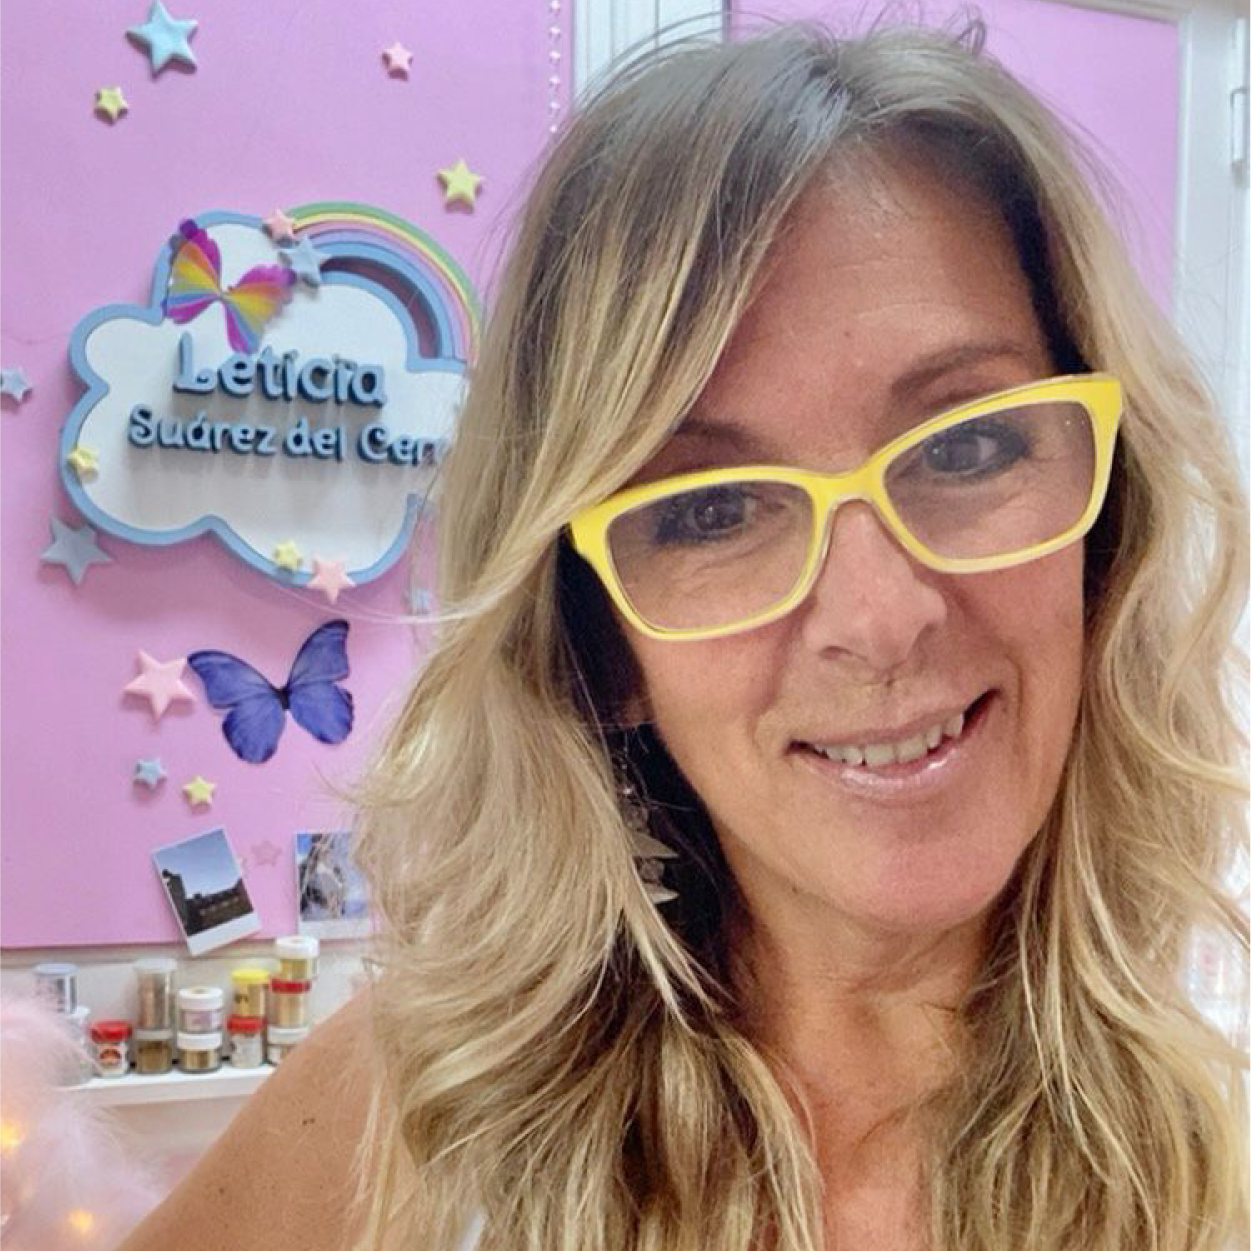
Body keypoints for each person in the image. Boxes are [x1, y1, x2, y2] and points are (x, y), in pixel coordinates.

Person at [116, 19, 1249, 1251]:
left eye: (969, 445)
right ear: (602, 647)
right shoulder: (414, 1124)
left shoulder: (1217, 1169)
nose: (881, 617)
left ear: (1106, 522)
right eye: (710, 512)